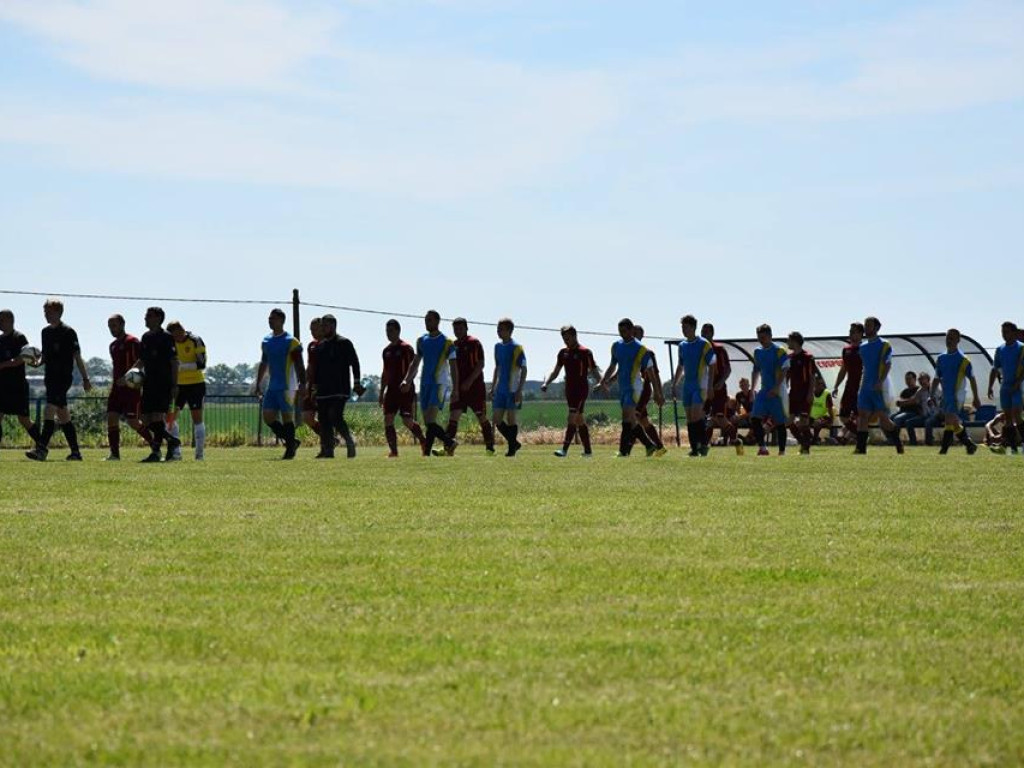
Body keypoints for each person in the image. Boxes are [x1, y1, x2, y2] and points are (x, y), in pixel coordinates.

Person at [26, 298, 92, 461]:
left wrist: (85, 378)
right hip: (50, 377)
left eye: (49, 312)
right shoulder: (45, 332)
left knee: (49, 409)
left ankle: (41, 449)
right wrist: (35, 363)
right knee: (63, 416)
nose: (46, 315)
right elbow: (45, 357)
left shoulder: (68, 332)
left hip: (63, 378)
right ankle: (76, 452)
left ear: (58, 313)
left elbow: (77, 357)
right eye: (45, 312)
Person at [597, 318, 661, 458]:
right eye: (620, 331)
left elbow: (651, 372)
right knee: (631, 422)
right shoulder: (616, 346)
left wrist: (657, 392)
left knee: (627, 418)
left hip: (635, 388)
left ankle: (623, 452)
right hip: (623, 388)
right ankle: (650, 446)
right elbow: (613, 366)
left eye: (625, 331)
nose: (622, 334)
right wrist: (603, 381)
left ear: (632, 330)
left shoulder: (640, 348)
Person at [401, 310, 458, 456]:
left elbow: (453, 367)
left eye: (430, 320)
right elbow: (415, 363)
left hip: (439, 384)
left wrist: (456, 389)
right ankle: (431, 451)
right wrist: (407, 380)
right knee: (428, 423)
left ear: (438, 321)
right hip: (425, 384)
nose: (427, 323)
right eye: (425, 320)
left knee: (431, 420)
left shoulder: (447, 342)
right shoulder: (421, 341)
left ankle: (448, 443)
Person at [541, 325, 600, 458]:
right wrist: (546, 383)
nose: (565, 341)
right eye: (564, 338)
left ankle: (564, 450)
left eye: (567, 338)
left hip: (581, 389)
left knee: (571, 417)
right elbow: (556, 371)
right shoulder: (563, 353)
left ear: (575, 336)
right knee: (579, 420)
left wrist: (601, 383)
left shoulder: (585, 352)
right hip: (569, 390)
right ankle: (588, 451)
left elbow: (594, 369)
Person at [132, 306, 181, 463]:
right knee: (145, 420)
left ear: (158, 318)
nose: (145, 318)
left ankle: (156, 452)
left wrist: (174, 385)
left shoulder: (166, 337)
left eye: (149, 316)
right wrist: (129, 374)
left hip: (163, 383)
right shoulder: (145, 337)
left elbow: (174, 362)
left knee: (157, 417)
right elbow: (142, 360)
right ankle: (171, 440)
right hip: (148, 382)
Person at [255, 308, 306, 460]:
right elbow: (264, 363)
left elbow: (299, 365)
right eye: (269, 318)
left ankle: (290, 450)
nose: (270, 321)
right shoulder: (266, 341)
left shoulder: (291, 341)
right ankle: (292, 441)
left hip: (287, 385)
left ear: (282, 321)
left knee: (287, 418)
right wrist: (258, 383)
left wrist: (302, 383)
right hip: (272, 385)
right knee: (268, 417)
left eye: (273, 318)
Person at [310, 314, 363, 458]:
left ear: (333, 326)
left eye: (325, 325)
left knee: (335, 416)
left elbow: (355, 363)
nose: (323, 328)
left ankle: (349, 442)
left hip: (340, 389)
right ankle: (328, 450)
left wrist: (357, 382)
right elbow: (316, 370)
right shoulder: (319, 347)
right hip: (323, 390)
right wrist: (314, 389)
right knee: (323, 419)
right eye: (322, 326)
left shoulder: (344, 342)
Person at [854, 316, 904, 454]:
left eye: (869, 325)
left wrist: (880, 381)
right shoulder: (862, 347)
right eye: (865, 325)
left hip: (878, 386)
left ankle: (898, 443)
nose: (866, 327)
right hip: (865, 386)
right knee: (862, 415)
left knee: (883, 418)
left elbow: (888, 364)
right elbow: (865, 367)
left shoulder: (884, 344)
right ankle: (861, 448)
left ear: (876, 328)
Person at [105, 314, 151, 461]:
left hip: (131, 388)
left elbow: (141, 360)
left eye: (114, 325)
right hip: (116, 388)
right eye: (110, 326)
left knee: (133, 422)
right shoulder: (112, 346)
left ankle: (155, 445)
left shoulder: (133, 341)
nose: (112, 329)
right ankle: (114, 454)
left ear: (122, 324)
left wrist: (128, 378)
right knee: (112, 417)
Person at [447, 318, 495, 455]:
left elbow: (481, 364)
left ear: (466, 328)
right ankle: (448, 447)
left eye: (460, 328)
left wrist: (469, 381)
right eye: (455, 329)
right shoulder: (453, 345)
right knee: (454, 416)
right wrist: (455, 387)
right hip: (459, 389)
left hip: (475, 388)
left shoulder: (474, 343)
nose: (458, 331)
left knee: (481, 417)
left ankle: (490, 447)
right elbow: (453, 367)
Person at [379, 319, 426, 457]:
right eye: (387, 331)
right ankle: (394, 452)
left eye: (391, 331)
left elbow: (414, 367)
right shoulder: (386, 351)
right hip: (391, 391)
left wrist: (408, 382)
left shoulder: (406, 348)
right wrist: (382, 392)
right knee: (388, 419)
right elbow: (385, 373)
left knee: (407, 421)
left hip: (405, 389)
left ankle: (424, 442)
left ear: (398, 331)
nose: (388, 333)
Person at [671, 315, 715, 457]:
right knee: (690, 417)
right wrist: (674, 383)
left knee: (697, 415)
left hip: (700, 385)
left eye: (686, 327)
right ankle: (694, 448)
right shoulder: (682, 345)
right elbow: (680, 365)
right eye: (682, 327)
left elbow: (713, 365)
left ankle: (703, 444)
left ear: (693, 327)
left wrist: (710, 386)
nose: (683, 329)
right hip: (687, 386)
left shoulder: (704, 344)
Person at [0, 309, 43, 453]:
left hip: (17, 385)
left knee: (23, 419)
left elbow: (23, 358)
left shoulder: (19, 338)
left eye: (2, 320)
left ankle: (42, 445)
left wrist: (4, 364)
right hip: (2, 386)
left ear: (10, 320)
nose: (0, 323)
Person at [932, 328, 980, 455]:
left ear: (958, 340)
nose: (949, 340)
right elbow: (936, 377)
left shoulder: (964, 360)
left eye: (952, 338)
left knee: (949, 419)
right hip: (946, 395)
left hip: (957, 394)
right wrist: (932, 394)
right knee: (951, 422)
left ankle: (944, 449)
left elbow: (972, 379)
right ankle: (969, 444)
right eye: (947, 337)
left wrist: (976, 397)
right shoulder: (941, 358)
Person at [166, 320, 207, 460]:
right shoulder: (170, 343)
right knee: (170, 418)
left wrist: (181, 367)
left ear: (181, 330)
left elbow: (202, 363)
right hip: (177, 386)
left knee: (197, 419)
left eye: (175, 335)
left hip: (196, 384)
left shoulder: (196, 340)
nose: (174, 339)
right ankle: (176, 452)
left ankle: (199, 454)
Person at [749, 323, 790, 456]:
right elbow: (756, 370)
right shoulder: (757, 352)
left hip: (777, 392)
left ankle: (782, 451)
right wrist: (752, 389)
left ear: (770, 336)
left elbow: (785, 368)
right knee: (755, 418)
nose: (761, 339)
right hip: (764, 391)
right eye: (759, 337)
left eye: (764, 336)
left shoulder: (779, 350)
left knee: (780, 423)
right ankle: (762, 448)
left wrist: (777, 387)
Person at [490, 318, 527, 457]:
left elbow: (524, 369)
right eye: (498, 329)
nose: (498, 331)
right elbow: (497, 367)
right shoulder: (497, 347)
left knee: (511, 420)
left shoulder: (517, 348)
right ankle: (515, 443)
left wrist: (519, 390)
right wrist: (493, 387)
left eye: (501, 329)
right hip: (500, 390)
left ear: (509, 331)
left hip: (513, 389)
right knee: (497, 420)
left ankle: (511, 449)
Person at [987, 321, 1023, 455]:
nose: (1004, 335)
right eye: (1002, 332)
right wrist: (990, 386)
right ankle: (1012, 449)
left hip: (1018, 387)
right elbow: (995, 368)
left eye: (1007, 332)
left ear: (1014, 333)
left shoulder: (1021, 348)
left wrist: (1018, 383)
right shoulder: (1000, 349)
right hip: (1005, 386)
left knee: (1017, 416)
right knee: (1007, 418)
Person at [633, 325, 666, 453]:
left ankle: (644, 446)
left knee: (632, 418)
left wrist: (659, 393)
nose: (634, 335)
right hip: (633, 391)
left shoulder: (647, 353)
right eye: (633, 333)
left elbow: (655, 374)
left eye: (637, 333)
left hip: (644, 391)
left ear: (642, 335)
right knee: (643, 420)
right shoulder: (629, 351)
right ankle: (659, 447)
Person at [701, 323, 734, 446]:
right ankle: (703, 446)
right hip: (705, 389)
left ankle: (736, 440)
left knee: (719, 418)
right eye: (702, 332)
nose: (703, 335)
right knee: (705, 419)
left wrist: (720, 382)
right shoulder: (700, 350)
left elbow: (728, 369)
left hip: (718, 389)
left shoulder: (719, 349)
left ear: (712, 334)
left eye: (706, 332)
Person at [832, 322, 865, 444]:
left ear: (861, 334)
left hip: (862, 387)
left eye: (853, 331)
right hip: (849, 386)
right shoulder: (846, 350)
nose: (850, 334)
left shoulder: (865, 348)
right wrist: (836, 386)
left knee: (859, 416)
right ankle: (861, 435)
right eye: (850, 331)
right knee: (843, 416)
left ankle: (856, 439)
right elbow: (844, 369)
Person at [786, 331, 819, 454]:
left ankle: (806, 447)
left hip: (805, 393)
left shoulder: (808, 357)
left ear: (795, 341)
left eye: (788, 340)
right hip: (793, 394)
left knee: (804, 421)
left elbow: (812, 376)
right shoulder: (789, 357)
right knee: (788, 421)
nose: (787, 342)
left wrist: (811, 393)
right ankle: (804, 441)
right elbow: (787, 375)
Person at [301, 317, 324, 439]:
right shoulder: (311, 346)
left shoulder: (329, 344)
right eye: (311, 330)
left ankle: (327, 442)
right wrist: (304, 383)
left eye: (315, 329)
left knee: (324, 417)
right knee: (307, 417)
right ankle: (330, 438)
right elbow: (309, 365)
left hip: (324, 386)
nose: (313, 332)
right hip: (311, 386)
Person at [890, 371, 925, 446]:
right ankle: (890, 439)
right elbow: (897, 403)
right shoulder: (904, 391)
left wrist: (904, 402)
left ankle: (895, 441)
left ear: (915, 379)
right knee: (889, 419)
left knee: (897, 419)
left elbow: (914, 401)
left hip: (913, 413)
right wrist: (907, 401)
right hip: (903, 412)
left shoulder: (918, 390)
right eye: (906, 379)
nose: (907, 381)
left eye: (909, 379)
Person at [809, 375, 836, 444]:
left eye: (820, 384)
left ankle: (814, 440)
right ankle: (811, 438)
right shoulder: (810, 392)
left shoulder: (827, 394)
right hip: (813, 417)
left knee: (817, 422)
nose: (817, 386)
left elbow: (830, 409)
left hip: (825, 417)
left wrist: (831, 420)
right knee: (800, 423)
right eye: (816, 383)